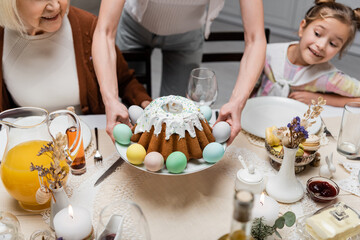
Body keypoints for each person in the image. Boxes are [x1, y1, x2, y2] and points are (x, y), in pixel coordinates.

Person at [92, 0, 266, 144]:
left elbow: (255, 39)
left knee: (174, 126)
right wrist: (110, 100)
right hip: (135, 27)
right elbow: (104, 32)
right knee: (133, 114)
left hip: (187, 35)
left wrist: (237, 101)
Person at [0, 0, 151, 115]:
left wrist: (144, 102)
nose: (55, 6)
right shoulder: (3, 40)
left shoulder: (88, 28)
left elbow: (125, 81)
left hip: (88, 142)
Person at [256, 0, 360, 107]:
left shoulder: (330, 77)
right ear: (302, 28)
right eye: (317, 34)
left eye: (333, 44)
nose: (321, 45)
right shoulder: (268, 53)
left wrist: (319, 98)